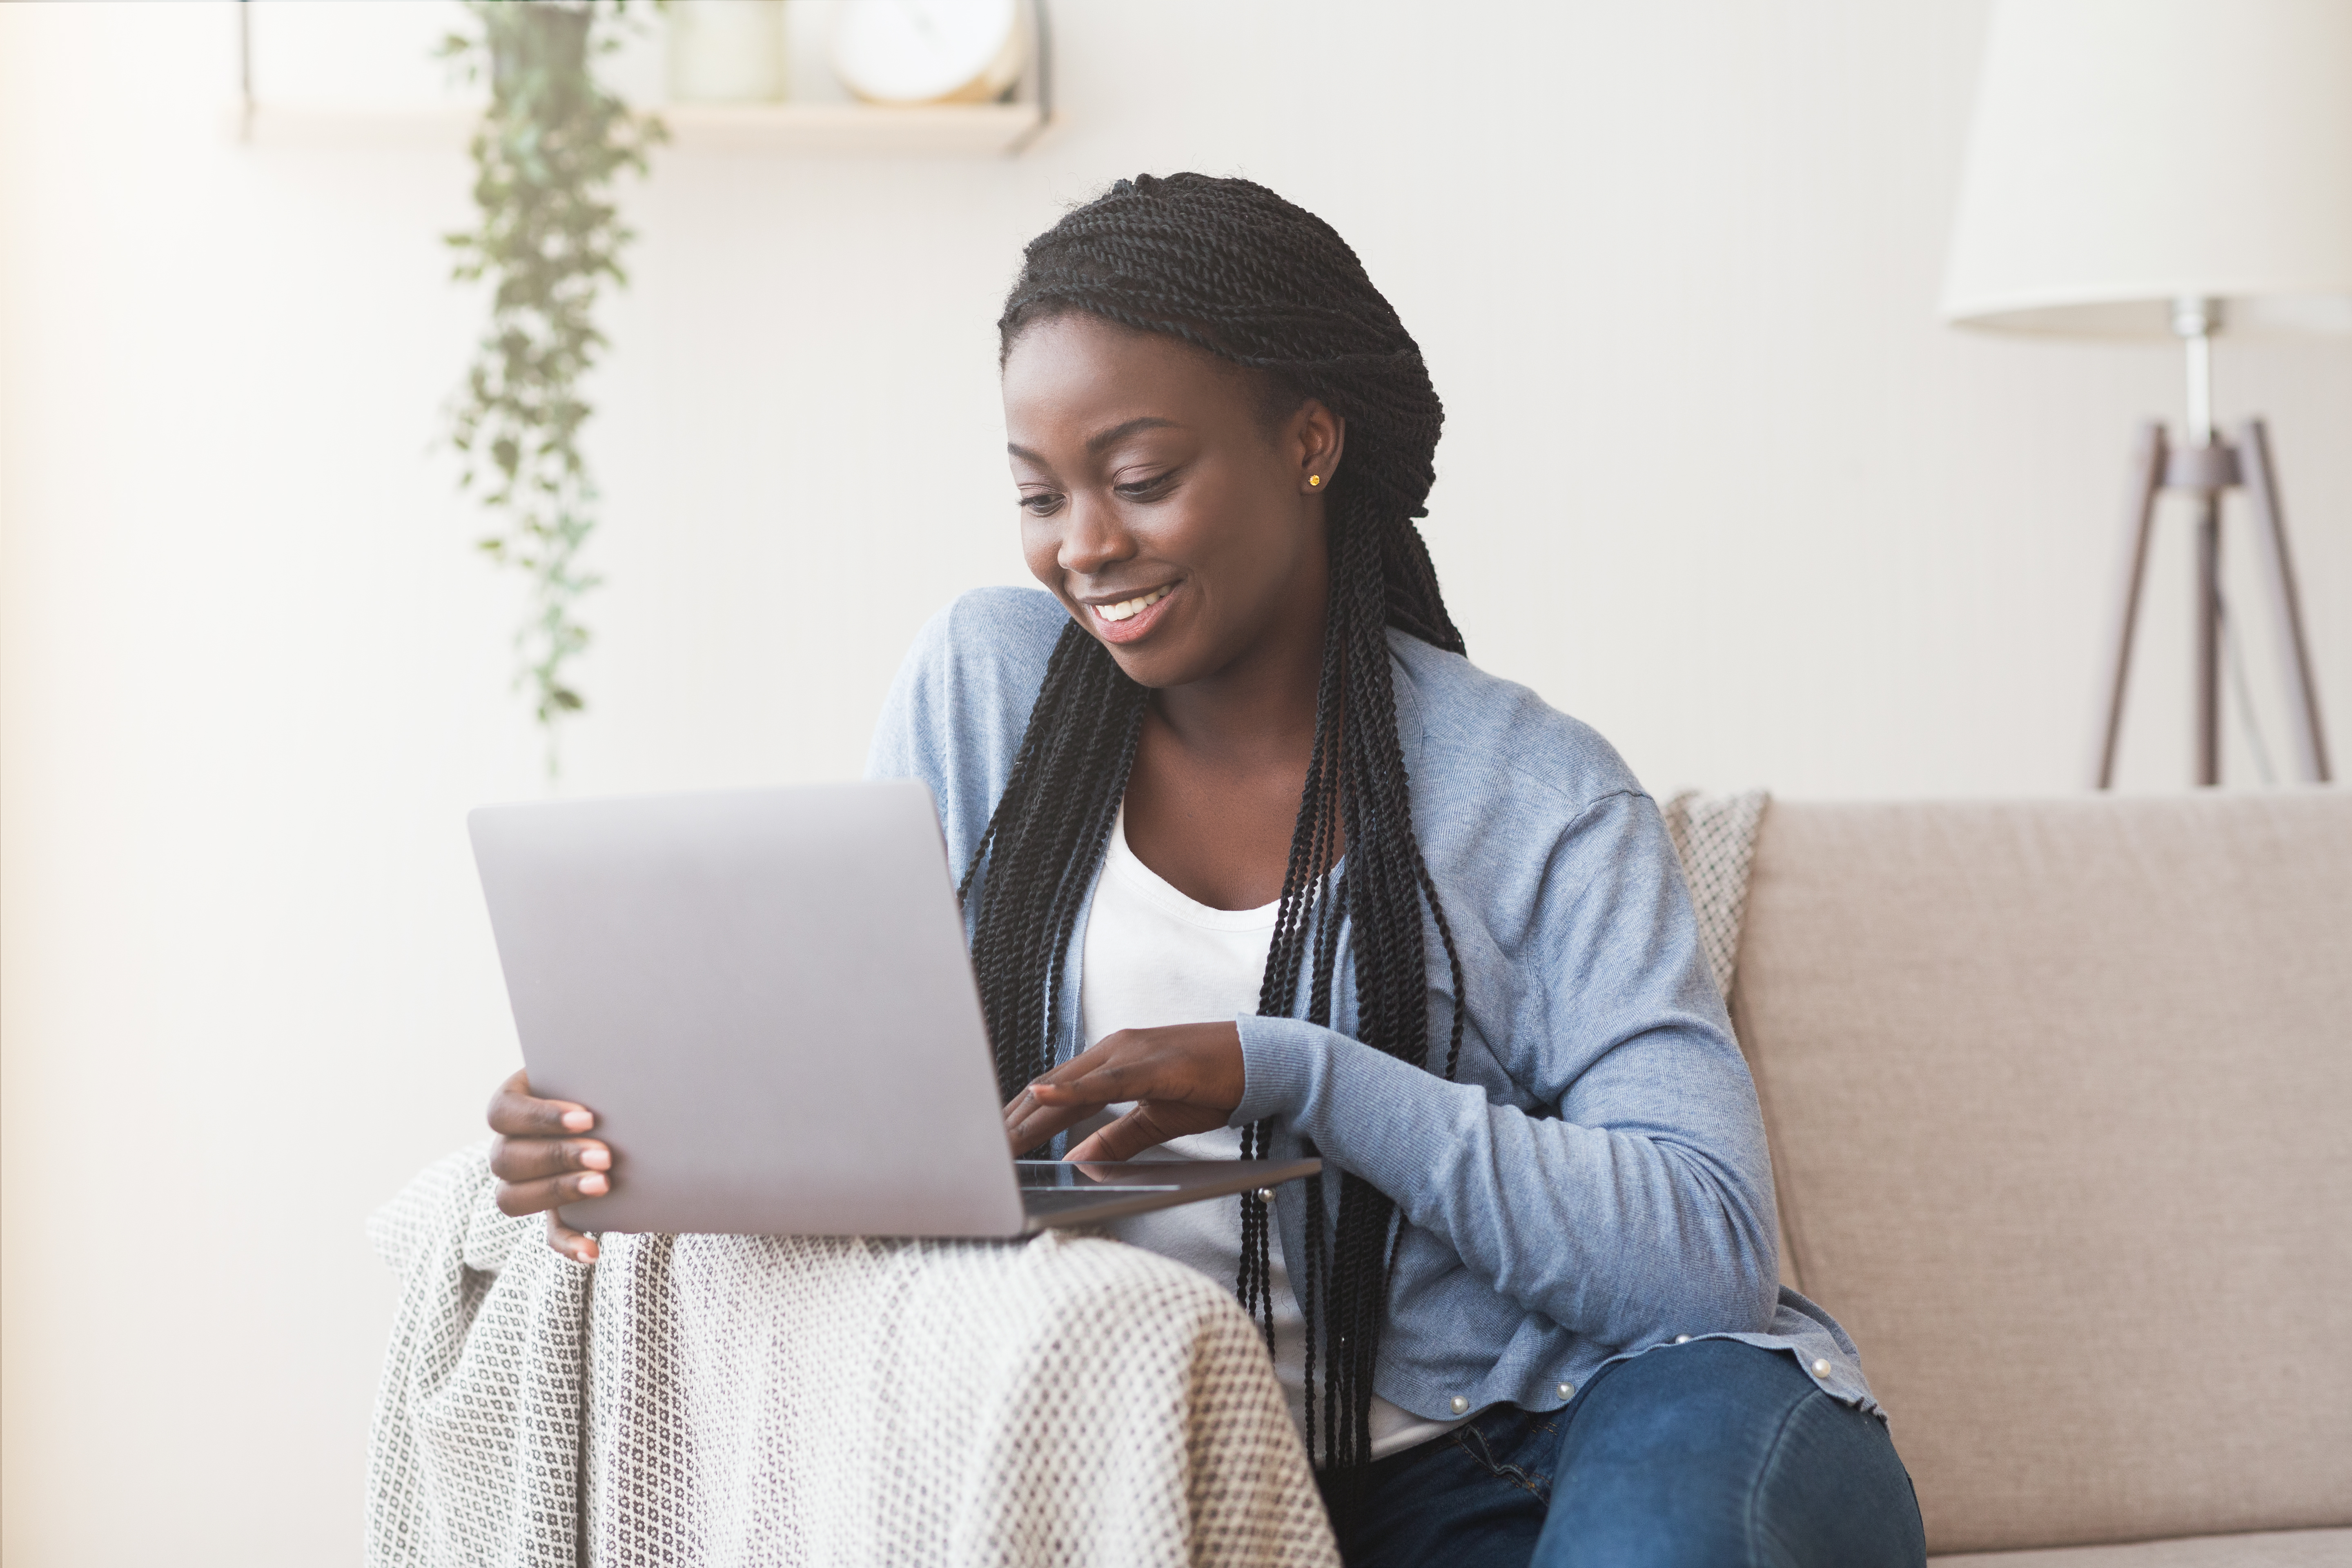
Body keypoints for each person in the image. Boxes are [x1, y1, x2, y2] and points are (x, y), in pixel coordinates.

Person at [486, 173, 1927, 1567]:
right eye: (1040, 496)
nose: (1085, 547)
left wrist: (1289, 1072)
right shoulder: (989, 686)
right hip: (1156, 1460)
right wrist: (629, 1132)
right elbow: (865, 1092)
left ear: (1310, 441)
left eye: (1140, 479)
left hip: (1560, 1428)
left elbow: (1703, 1253)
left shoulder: (1534, 793)